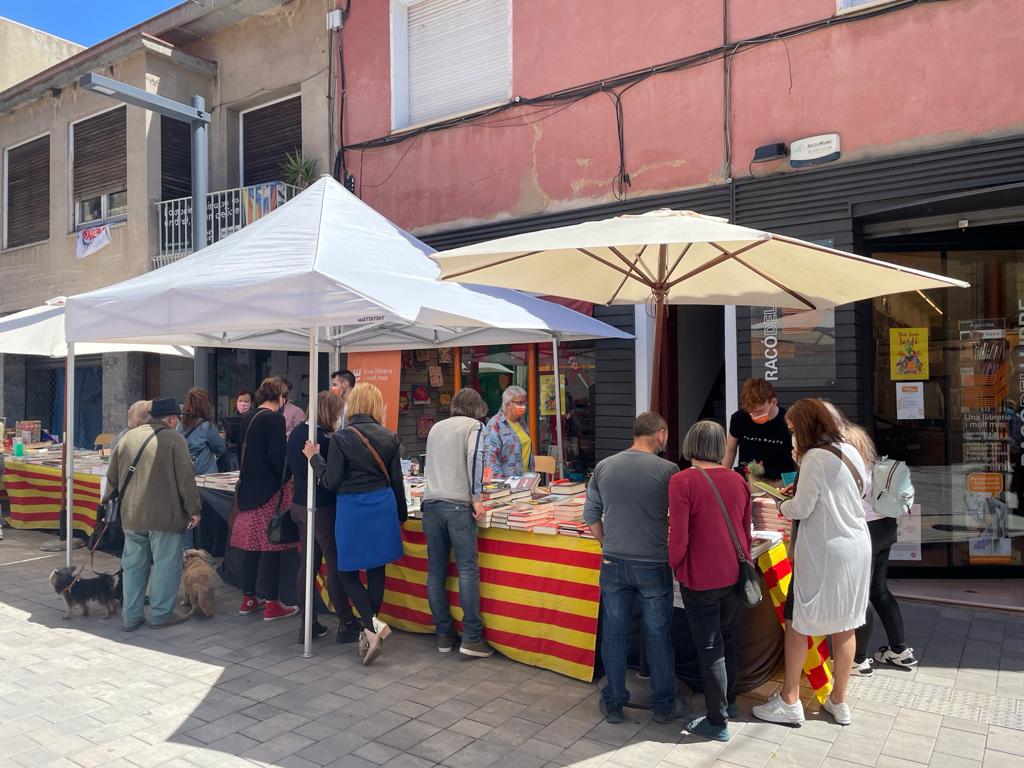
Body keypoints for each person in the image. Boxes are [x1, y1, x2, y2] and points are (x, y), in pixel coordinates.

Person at [752, 398, 870, 727]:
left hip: (825, 551)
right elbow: (845, 495)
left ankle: (790, 699)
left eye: (792, 430)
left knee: (798, 623)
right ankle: (839, 701)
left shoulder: (816, 457)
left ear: (804, 427)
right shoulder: (850, 451)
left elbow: (801, 510)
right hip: (857, 546)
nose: (791, 437)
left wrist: (783, 503)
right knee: (845, 626)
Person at [583, 412, 679, 725]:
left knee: (614, 633)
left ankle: (613, 703)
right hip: (653, 560)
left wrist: (605, 542)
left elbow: (590, 515)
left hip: (614, 560)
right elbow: (678, 519)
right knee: (658, 633)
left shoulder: (604, 467)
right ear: (660, 434)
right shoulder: (669, 470)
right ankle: (664, 705)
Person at [303, 383, 407, 666]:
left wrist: (315, 458)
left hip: (352, 508)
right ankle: (370, 627)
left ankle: (370, 627)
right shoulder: (389, 436)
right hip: (383, 505)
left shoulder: (341, 438)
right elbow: (397, 481)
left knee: (346, 569)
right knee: (376, 568)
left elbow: (331, 481)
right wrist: (402, 514)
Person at [669, 420, 752, 741]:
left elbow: (679, 537)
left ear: (691, 444)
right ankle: (728, 703)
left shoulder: (682, 481)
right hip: (734, 573)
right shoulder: (738, 481)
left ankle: (717, 721)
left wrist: (674, 565)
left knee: (709, 647)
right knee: (725, 638)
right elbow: (745, 532)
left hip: (699, 577)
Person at [104, 396, 200, 630]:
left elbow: (112, 478)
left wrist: (107, 503)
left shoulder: (128, 436)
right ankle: (160, 614)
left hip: (131, 515)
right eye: (177, 418)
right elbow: (186, 479)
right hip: (164, 516)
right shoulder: (174, 439)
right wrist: (194, 510)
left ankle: (131, 615)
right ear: (170, 418)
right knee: (167, 566)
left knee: (134, 566)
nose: (177, 422)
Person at [422, 388, 492, 658]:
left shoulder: (437, 427)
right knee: (467, 569)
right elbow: (476, 460)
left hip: (431, 503)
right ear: (478, 408)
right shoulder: (475, 426)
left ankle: (443, 634)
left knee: (436, 571)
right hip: (458, 504)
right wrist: (477, 497)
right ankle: (472, 637)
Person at [287, 390, 360, 645]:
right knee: (334, 563)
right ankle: (346, 621)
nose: (341, 416)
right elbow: (332, 477)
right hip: (323, 507)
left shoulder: (296, 432)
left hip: (299, 504)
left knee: (309, 564)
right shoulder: (326, 440)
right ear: (330, 412)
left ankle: (308, 622)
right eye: (338, 412)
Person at [845, 424, 917, 674]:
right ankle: (899, 650)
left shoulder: (853, 470)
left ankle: (858, 659)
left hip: (865, 532)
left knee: (860, 595)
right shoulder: (878, 465)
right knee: (880, 591)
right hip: (886, 529)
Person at [232, 376, 299, 622]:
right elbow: (277, 459)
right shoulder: (275, 419)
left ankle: (248, 598)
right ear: (281, 397)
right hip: (271, 492)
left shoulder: (250, 416)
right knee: (272, 546)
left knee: (252, 547)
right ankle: (272, 603)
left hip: (249, 490)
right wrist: (290, 471)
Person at [722, 378, 795, 482]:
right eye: (751, 411)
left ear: (773, 402)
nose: (754, 415)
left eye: (760, 411)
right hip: (749, 479)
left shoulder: (787, 420)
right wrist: (722, 478)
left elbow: (798, 454)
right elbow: (730, 450)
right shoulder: (739, 418)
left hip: (781, 481)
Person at [483, 385, 533, 479]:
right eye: (519, 403)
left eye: (524, 402)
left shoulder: (521, 422)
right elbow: (490, 460)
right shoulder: (495, 424)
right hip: (507, 485)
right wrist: (503, 484)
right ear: (508, 404)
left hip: (525, 481)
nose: (523, 406)